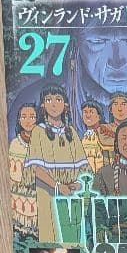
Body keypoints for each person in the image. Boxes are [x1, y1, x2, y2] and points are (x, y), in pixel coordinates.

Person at [22, 85, 90, 242]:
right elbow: (36, 168)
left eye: (58, 100)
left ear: (65, 105)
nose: (53, 104)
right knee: (51, 236)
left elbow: (84, 168)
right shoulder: (39, 131)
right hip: (48, 191)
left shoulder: (71, 132)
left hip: (71, 194)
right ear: (43, 105)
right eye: (49, 100)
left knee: (72, 235)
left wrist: (78, 184)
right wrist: (58, 186)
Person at [8, 103, 38, 231]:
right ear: (19, 120)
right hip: (19, 195)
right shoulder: (15, 144)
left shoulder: (43, 143)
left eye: (32, 117)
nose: (28, 121)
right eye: (24, 117)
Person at [79, 100, 106, 173]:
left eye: (91, 112)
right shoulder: (82, 138)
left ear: (99, 117)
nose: (88, 116)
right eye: (85, 112)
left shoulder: (105, 135)